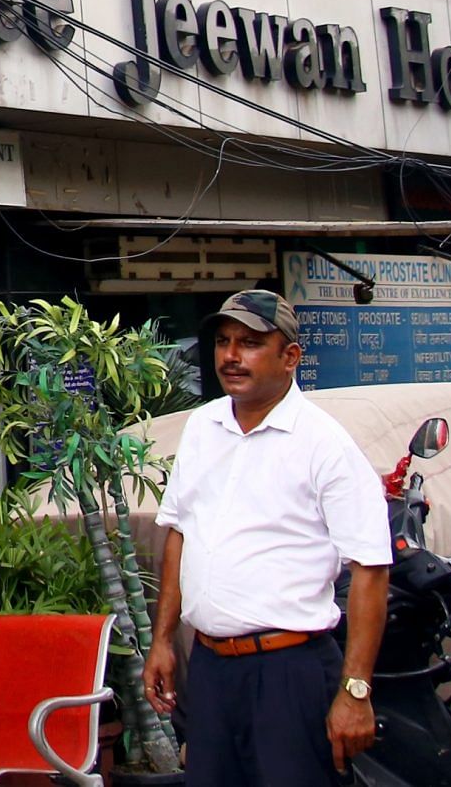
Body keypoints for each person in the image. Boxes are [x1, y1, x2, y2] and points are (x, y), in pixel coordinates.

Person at [146, 291, 392, 787]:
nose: (231, 357)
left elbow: (371, 567)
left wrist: (355, 691)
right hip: (212, 667)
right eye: (223, 342)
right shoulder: (202, 428)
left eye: (251, 343)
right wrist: (162, 641)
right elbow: (179, 534)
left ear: (290, 357)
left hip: (289, 671)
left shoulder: (323, 443)